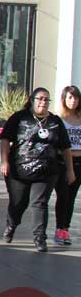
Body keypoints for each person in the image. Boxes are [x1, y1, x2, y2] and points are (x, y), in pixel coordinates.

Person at [0, 87, 72, 252]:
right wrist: (4, 161)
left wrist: (70, 170)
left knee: (40, 203)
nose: (43, 102)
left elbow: (66, 147)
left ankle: (40, 238)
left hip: (46, 172)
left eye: (46, 100)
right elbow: (4, 139)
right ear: (32, 100)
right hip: (19, 171)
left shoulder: (55, 122)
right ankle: (12, 224)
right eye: (40, 99)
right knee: (18, 203)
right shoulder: (19, 117)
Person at [53, 85, 81, 245]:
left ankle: (65, 229)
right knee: (63, 195)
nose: (73, 101)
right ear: (64, 99)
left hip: (79, 161)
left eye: (76, 98)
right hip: (62, 162)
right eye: (70, 97)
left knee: (71, 197)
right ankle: (59, 229)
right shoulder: (59, 119)